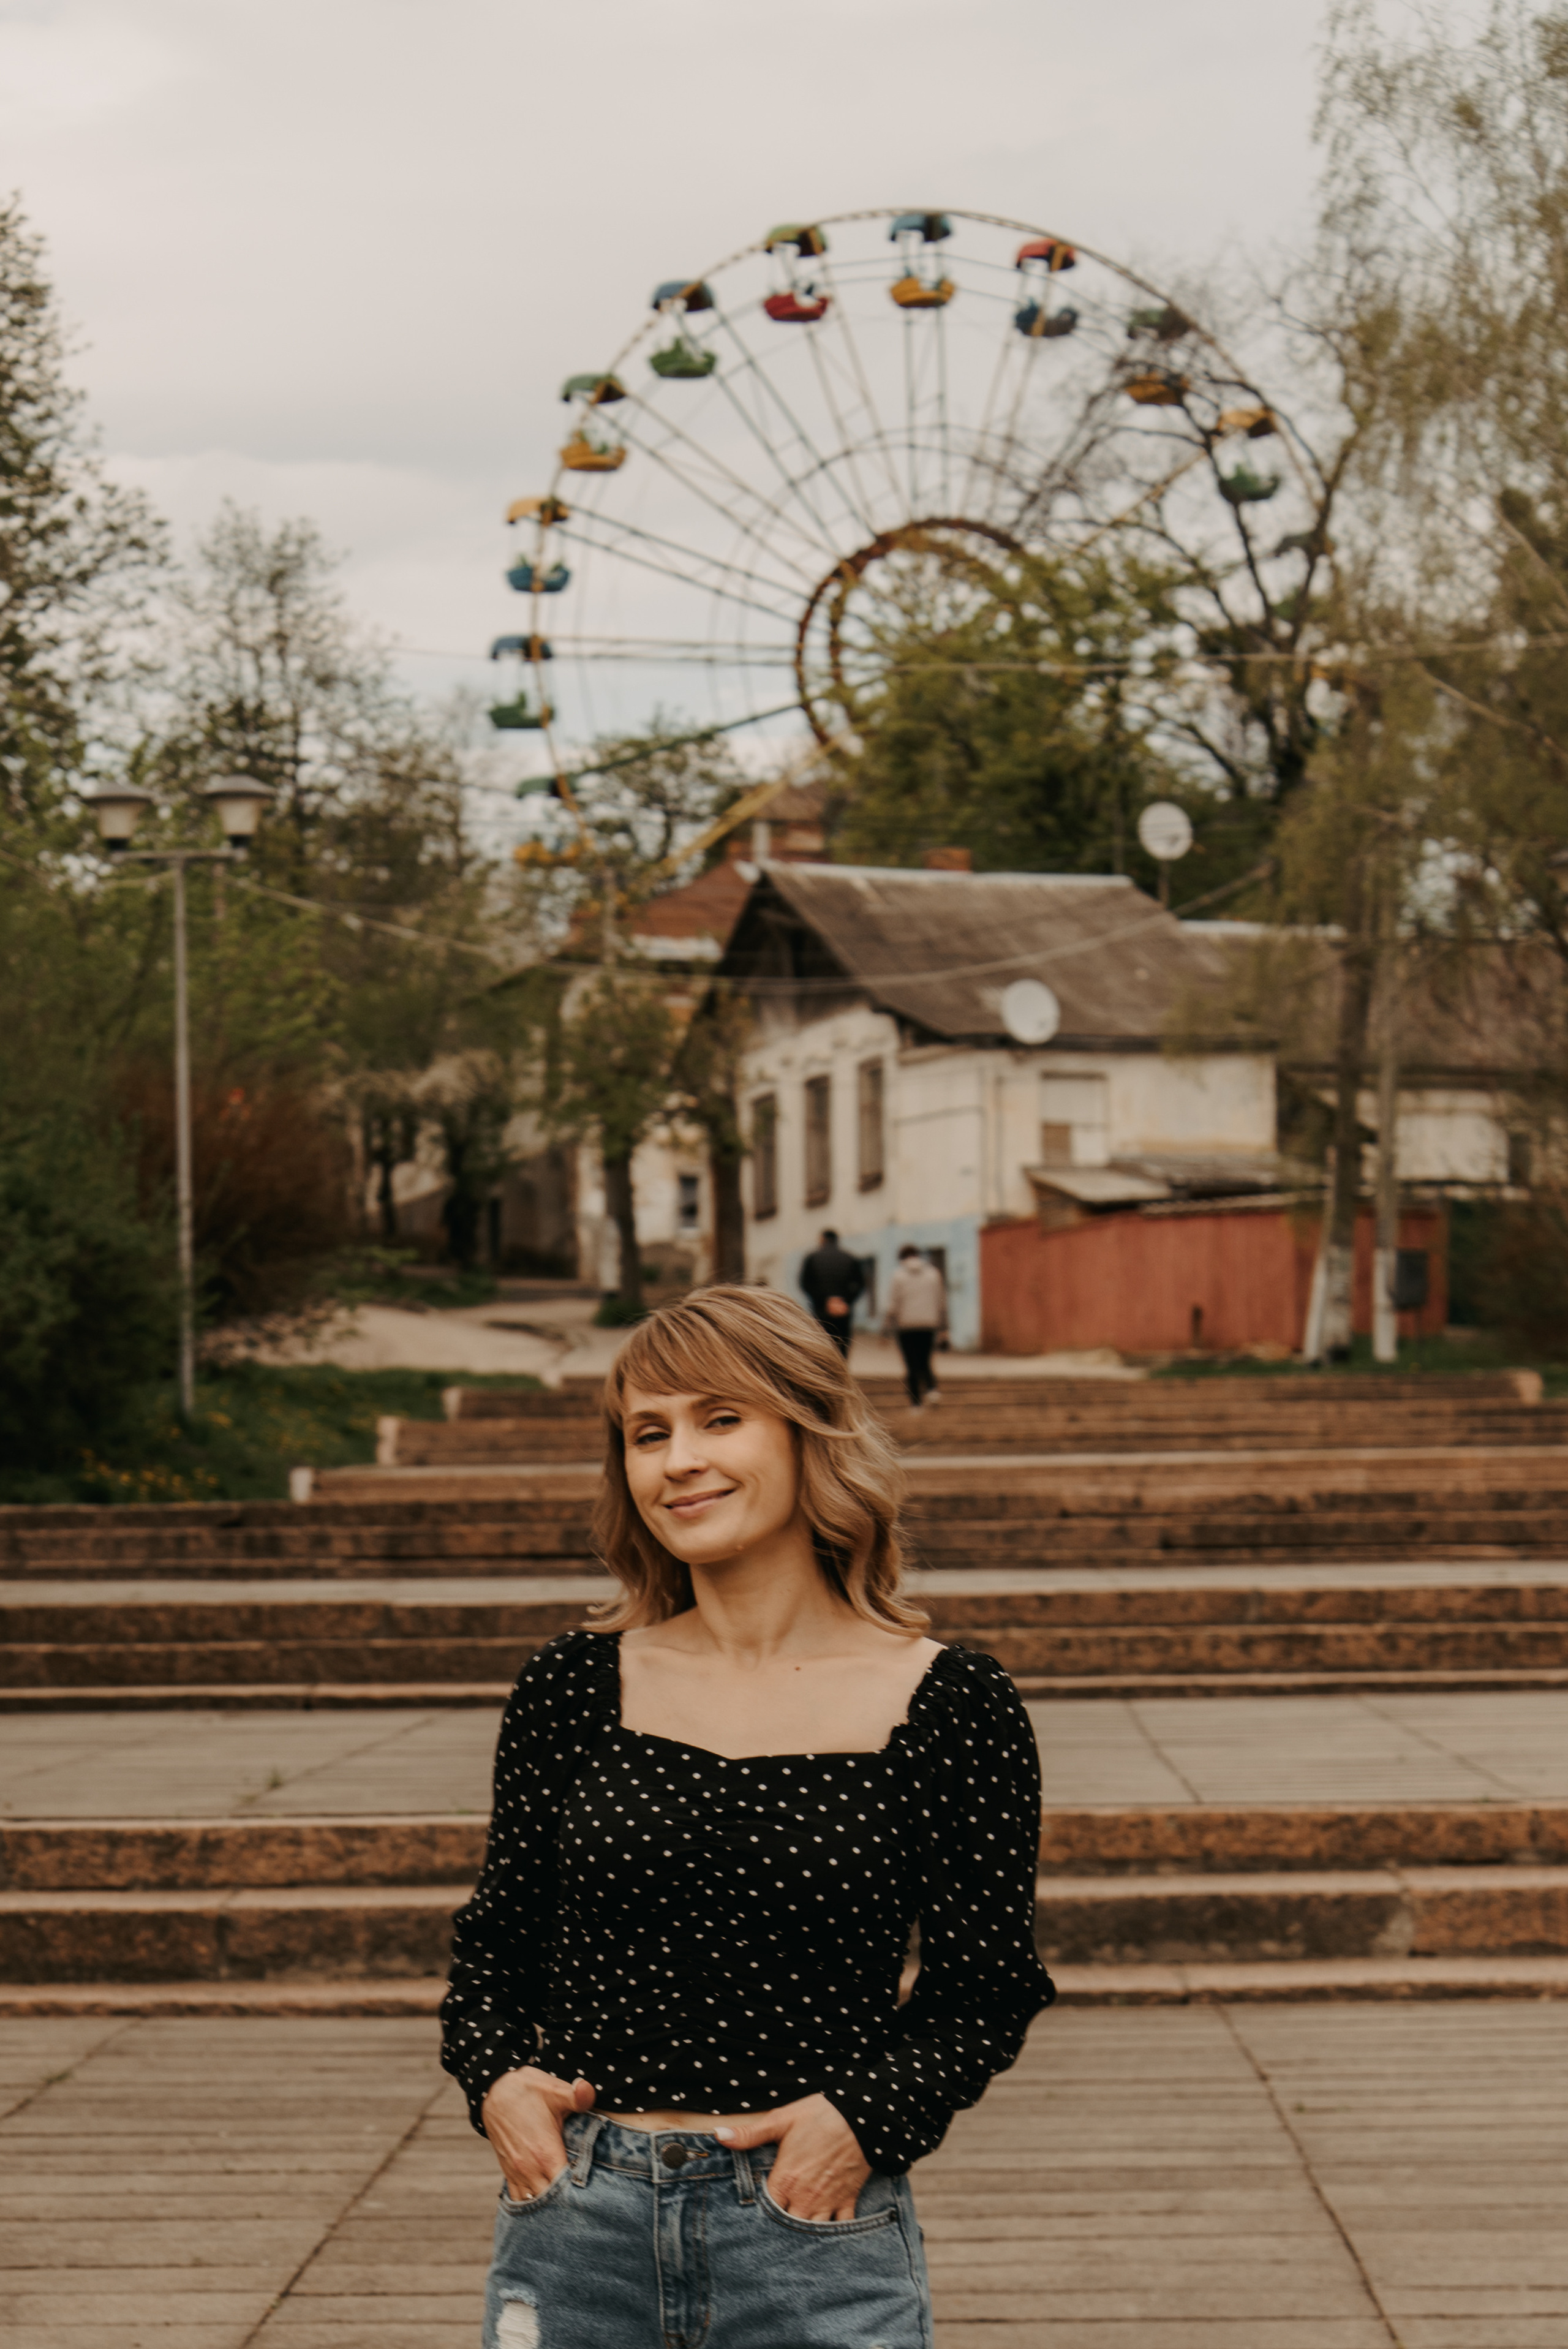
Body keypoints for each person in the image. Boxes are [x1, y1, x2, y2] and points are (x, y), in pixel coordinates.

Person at [441, 1284, 1054, 2349]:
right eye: (648, 1432)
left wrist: (861, 2122)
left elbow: (985, 1989)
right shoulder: (574, 1687)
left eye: (720, 1419)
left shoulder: (952, 1705)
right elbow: (495, 1945)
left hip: (811, 2233)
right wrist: (498, 2083)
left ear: (808, 1432)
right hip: (576, 2229)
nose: (679, 1459)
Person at [886, 1244, 948, 1411]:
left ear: (902, 1258)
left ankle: (916, 1403)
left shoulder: (898, 1276)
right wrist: (944, 1327)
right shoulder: (934, 1274)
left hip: (906, 1326)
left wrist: (886, 1328)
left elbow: (893, 1304)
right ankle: (932, 1390)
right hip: (929, 1324)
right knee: (925, 1359)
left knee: (911, 1363)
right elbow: (941, 1301)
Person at [797, 1226, 864, 1357]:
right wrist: (846, 1301)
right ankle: (842, 1373)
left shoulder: (812, 1258)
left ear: (823, 1240)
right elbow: (860, 1284)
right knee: (842, 1345)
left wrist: (825, 1301)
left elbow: (805, 1284)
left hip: (822, 1310)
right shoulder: (850, 1258)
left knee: (824, 1344)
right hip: (844, 1310)